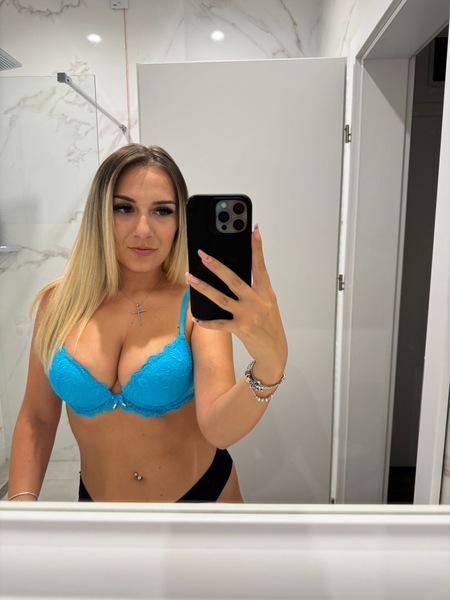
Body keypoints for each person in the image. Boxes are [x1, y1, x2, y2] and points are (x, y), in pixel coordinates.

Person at [8, 144, 287, 503]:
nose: (144, 230)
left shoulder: (196, 307)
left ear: (180, 221)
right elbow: (37, 418)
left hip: (199, 502)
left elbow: (219, 430)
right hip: (98, 511)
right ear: (100, 213)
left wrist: (270, 365)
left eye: (162, 211)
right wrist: (21, 507)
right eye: (124, 208)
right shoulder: (58, 305)